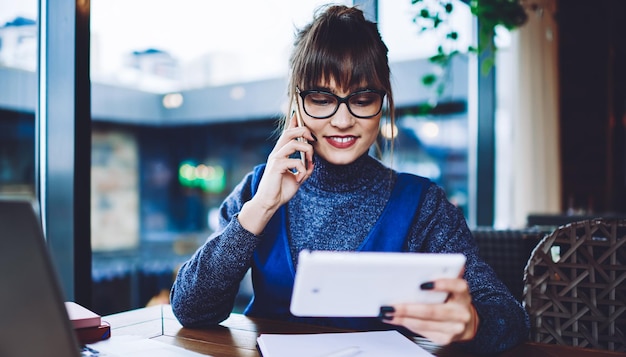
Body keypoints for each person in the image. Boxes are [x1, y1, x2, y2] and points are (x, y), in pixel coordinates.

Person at [170, 4, 529, 355]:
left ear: (382, 101)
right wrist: (261, 208)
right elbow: (191, 310)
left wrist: (473, 325)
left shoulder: (422, 204)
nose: (342, 120)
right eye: (322, 98)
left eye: (361, 97)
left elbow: (509, 316)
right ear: (297, 104)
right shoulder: (258, 189)